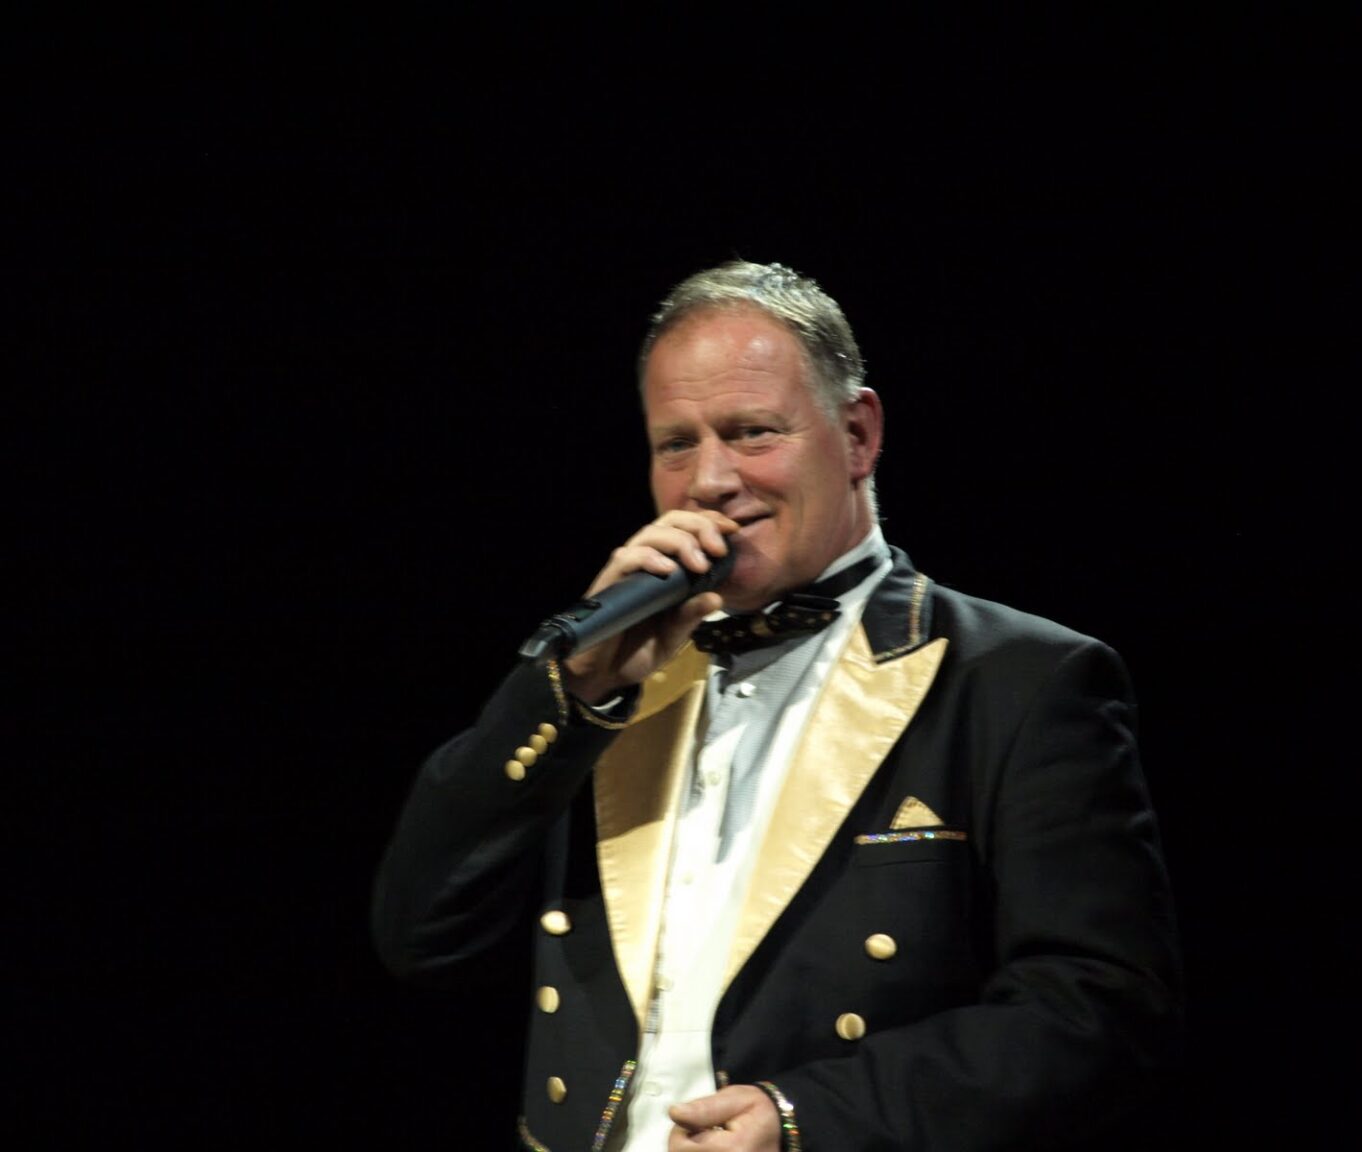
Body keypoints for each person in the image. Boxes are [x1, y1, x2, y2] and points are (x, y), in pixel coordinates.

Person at [373, 260, 1181, 1151]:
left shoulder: (1018, 680)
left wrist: (807, 1120)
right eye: (675, 445)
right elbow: (424, 939)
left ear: (859, 435)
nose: (710, 480)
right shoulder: (611, 695)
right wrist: (572, 692)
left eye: (751, 432)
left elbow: (1097, 1011)